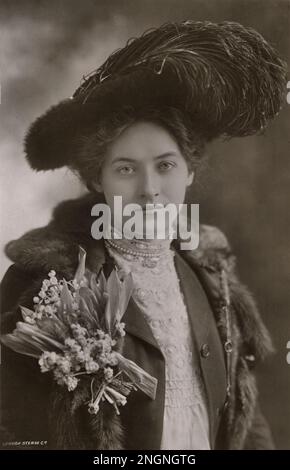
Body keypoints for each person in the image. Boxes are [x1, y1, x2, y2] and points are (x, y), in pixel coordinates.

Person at [0, 20, 287, 450]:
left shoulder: (210, 274)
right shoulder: (47, 284)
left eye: (165, 165)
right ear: (99, 179)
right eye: (126, 168)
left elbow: (242, 422)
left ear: (189, 170)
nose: (149, 188)